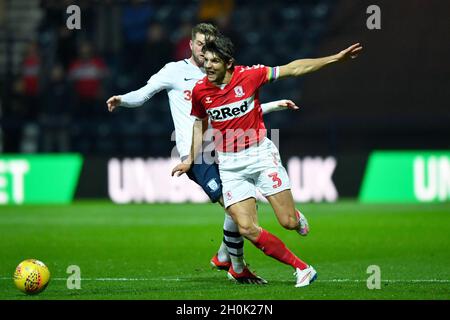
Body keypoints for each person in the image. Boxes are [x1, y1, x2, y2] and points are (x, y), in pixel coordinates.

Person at [106, 23, 297, 284]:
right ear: (190, 44)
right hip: (198, 155)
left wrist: (273, 105)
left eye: (209, 44)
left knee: (239, 208)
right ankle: (236, 266)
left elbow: (237, 110)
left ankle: (224, 257)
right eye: (199, 44)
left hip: (227, 149)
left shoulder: (219, 73)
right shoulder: (174, 71)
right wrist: (122, 100)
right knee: (233, 209)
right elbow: (143, 94)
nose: (203, 49)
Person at [172, 35, 362, 287]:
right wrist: (188, 159)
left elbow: (294, 68)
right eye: (205, 60)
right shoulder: (200, 90)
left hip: (260, 155)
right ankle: (302, 268)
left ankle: (294, 215)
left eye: (214, 61)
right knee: (247, 228)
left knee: (288, 222)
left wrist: (335, 59)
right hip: (229, 164)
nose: (208, 66)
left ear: (229, 63)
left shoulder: (250, 75)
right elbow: (200, 123)